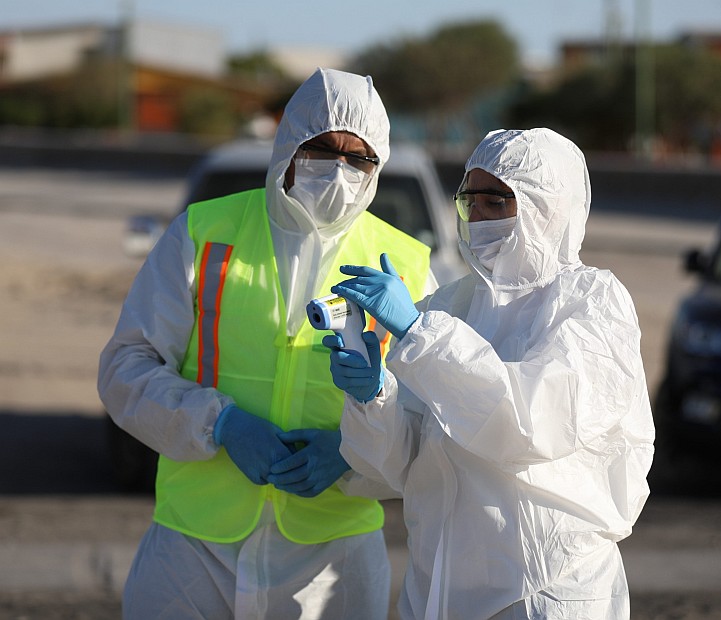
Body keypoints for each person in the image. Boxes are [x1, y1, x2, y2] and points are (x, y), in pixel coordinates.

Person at [98, 68, 435, 620]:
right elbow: (125, 369)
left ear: (380, 164)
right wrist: (222, 424)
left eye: (360, 157)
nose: (340, 168)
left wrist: (352, 457)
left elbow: (430, 422)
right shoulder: (203, 233)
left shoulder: (408, 268)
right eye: (323, 147)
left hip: (334, 560)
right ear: (290, 143)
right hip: (193, 549)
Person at [325, 128, 655, 619]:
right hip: (438, 587)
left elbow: (531, 423)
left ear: (548, 208)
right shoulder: (452, 304)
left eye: (497, 201)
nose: (477, 216)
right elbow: (399, 464)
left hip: (545, 590)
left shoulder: (591, 302)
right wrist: (374, 398)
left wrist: (420, 334)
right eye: (469, 200)